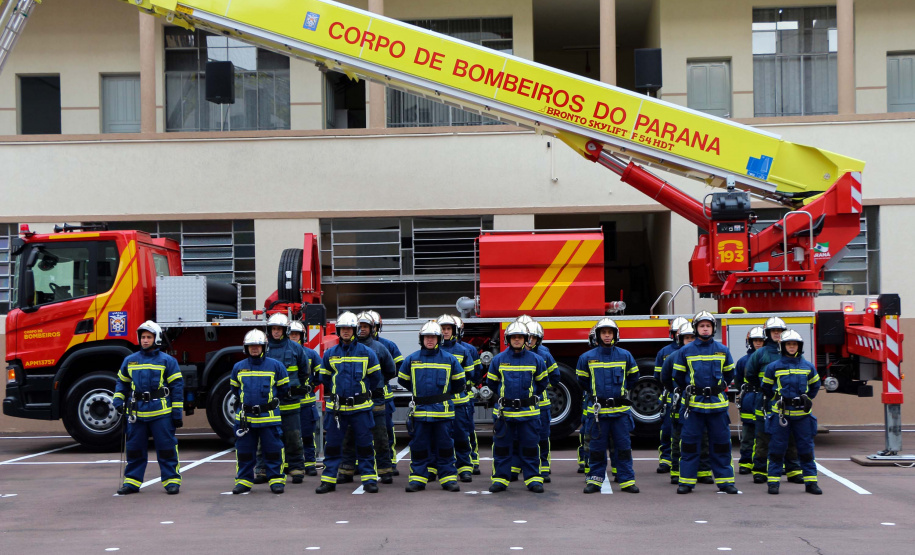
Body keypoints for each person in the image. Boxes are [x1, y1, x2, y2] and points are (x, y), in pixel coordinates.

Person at [113, 321, 183, 495]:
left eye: (149, 337)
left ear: (156, 338)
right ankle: (131, 482)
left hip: (162, 413)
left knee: (166, 448)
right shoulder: (130, 360)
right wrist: (118, 401)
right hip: (137, 413)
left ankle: (171, 481)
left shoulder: (168, 361)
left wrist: (176, 413)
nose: (145, 340)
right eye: (143, 337)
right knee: (135, 448)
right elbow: (122, 382)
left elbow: (177, 387)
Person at [672, 311, 738, 495]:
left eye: (708, 325)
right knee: (690, 444)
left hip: (717, 407)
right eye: (702, 326)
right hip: (693, 407)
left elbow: (729, 374)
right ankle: (686, 482)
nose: (705, 328)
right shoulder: (685, 351)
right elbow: (678, 377)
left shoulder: (722, 350)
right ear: (696, 328)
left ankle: (726, 482)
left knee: (721, 444)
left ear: (713, 328)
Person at [316, 312, 382, 494]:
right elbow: (325, 379)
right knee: (333, 445)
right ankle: (328, 481)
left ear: (355, 330)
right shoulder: (330, 354)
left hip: (360, 409)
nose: (345, 332)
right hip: (337, 409)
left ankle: (369, 480)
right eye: (342, 328)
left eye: (349, 328)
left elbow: (375, 378)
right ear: (338, 330)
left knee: (365, 445)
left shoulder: (367, 353)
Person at [398, 321, 466, 492]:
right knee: (419, 446)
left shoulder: (449, 359)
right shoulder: (412, 359)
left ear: (439, 339)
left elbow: (460, 384)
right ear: (421, 339)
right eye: (427, 337)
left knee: (445, 446)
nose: (430, 340)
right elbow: (403, 380)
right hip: (420, 412)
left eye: (433, 337)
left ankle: (448, 478)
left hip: (443, 413)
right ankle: (418, 479)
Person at [578, 318, 640, 494]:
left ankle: (627, 481)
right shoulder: (587, 358)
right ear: (598, 335)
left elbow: (633, 378)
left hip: (620, 413)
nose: (607, 335)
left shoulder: (625, 355)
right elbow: (582, 381)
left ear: (615, 335)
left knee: (623, 448)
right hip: (598, 413)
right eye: (604, 332)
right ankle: (595, 481)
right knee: (596, 449)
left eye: (610, 332)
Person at [487, 321, 548, 493]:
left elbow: (543, 383)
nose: (517, 340)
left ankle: (533, 479)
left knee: (530, 447)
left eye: (520, 337)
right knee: (502, 448)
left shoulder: (536, 359)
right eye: (513, 337)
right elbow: (492, 383)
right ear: (508, 339)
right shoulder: (498, 360)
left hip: (528, 413)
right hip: (505, 413)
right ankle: (500, 479)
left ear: (526, 339)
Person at [761, 329, 823, 495]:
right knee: (776, 449)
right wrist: (777, 398)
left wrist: (807, 399)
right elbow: (766, 387)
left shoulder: (808, 366)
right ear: (782, 346)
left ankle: (811, 483)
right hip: (781, 415)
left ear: (799, 346)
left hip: (802, 415)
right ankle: (773, 483)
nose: (791, 347)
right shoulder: (773, 367)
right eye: (788, 344)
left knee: (806, 449)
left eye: (794, 344)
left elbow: (815, 386)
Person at [338, 311, 396, 484]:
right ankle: (346, 470)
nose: (362, 329)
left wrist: (378, 384)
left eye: (366, 327)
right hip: (353, 402)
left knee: (380, 436)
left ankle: (385, 471)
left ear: (372, 329)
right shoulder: (345, 349)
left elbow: (391, 370)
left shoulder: (380, 348)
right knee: (349, 436)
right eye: (360, 326)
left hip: (376, 400)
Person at [230, 329, 289, 494]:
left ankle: (276, 480)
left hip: (268, 418)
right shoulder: (238, 367)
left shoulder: (276, 366)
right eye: (251, 346)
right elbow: (235, 390)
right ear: (246, 348)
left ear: (264, 347)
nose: (254, 348)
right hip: (245, 419)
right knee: (244, 452)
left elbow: (284, 389)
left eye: (257, 345)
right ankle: (243, 481)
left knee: (273, 450)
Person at [745, 317, 803, 484]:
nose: (777, 333)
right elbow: (750, 375)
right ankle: (760, 470)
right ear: (768, 333)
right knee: (763, 437)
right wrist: (766, 391)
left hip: (788, 404)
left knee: (790, 437)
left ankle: (793, 470)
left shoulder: (793, 354)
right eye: (774, 331)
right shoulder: (760, 353)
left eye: (780, 331)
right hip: (764, 402)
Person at [253, 313, 308, 484]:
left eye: (279, 329)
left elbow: (304, 371)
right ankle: (262, 470)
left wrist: (296, 388)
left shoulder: (295, 348)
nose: (276, 332)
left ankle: (296, 468)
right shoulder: (265, 348)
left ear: (285, 330)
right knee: (266, 438)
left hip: (290, 402)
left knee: (293, 436)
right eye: (273, 329)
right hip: (268, 404)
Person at [437, 314, 476, 482]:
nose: (445, 332)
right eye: (443, 329)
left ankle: (464, 468)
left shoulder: (463, 351)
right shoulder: (432, 351)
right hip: (438, 404)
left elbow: (472, 374)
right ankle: (437, 468)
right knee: (439, 438)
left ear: (454, 331)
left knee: (461, 435)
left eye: (448, 329)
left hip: (459, 403)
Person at [287, 320, 324, 476]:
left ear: (302, 336)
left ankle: (309, 464)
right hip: (287, 403)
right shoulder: (282, 353)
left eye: (296, 334)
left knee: (308, 434)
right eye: (291, 334)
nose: (294, 337)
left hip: (306, 403)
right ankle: (290, 464)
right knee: (288, 436)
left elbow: (321, 373)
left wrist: (311, 386)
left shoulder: (310, 354)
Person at [369, 310, 403, 476]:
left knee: (386, 432)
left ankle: (389, 461)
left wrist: (381, 380)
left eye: (373, 326)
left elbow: (398, 367)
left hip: (384, 397)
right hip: (363, 398)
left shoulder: (387, 345)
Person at [526, 320, 559, 483]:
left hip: (541, 404)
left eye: (533, 337)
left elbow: (555, 376)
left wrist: (541, 388)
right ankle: (519, 467)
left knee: (542, 437)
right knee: (522, 437)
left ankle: (543, 467)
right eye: (527, 337)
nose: (529, 340)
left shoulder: (544, 355)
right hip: (523, 405)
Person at [654, 316, 688, 474]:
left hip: (688, 399)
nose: (678, 335)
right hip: (670, 399)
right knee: (667, 430)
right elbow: (658, 377)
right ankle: (666, 460)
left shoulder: (692, 351)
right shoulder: (665, 352)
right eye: (675, 332)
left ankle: (685, 461)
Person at [453, 315, 483, 475]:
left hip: (466, 396)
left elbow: (477, 372)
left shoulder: (469, 350)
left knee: (468, 429)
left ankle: (473, 459)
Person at [734, 326, 766, 475]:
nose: (758, 343)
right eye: (755, 340)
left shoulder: (767, 359)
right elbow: (738, 380)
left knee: (764, 434)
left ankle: (764, 461)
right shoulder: (743, 361)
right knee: (748, 434)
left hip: (763, 399)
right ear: (750, 342)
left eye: (761, 340)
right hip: (749, 400)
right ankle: (746, 462)